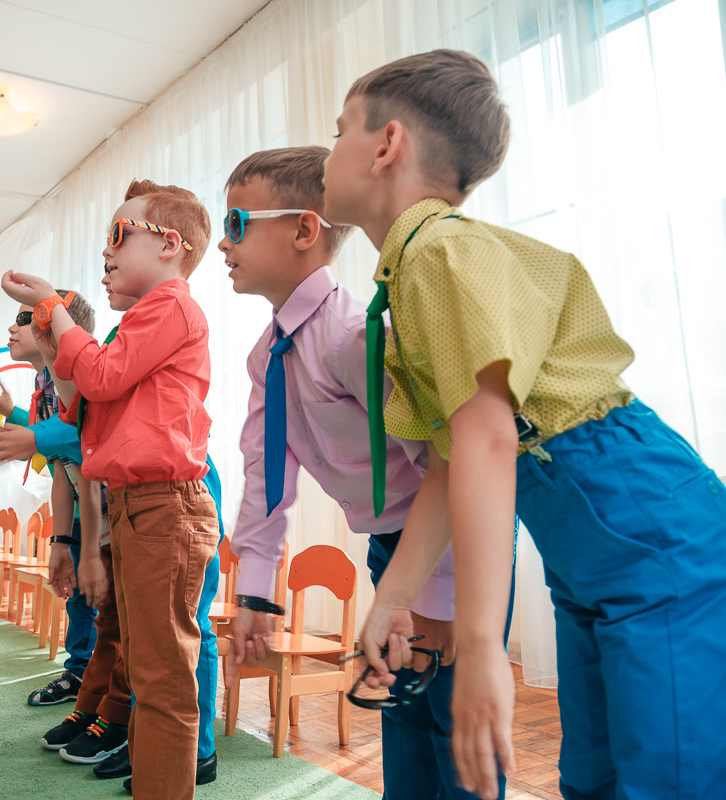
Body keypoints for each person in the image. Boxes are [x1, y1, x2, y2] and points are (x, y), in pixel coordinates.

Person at [323, 49, 726, 800]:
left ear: (386, 144)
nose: (327, 151)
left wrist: (484, 650)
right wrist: (394, 597)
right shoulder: (422, 266)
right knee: (595, 779)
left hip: (654, 538)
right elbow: (456, 457)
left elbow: (490, 440)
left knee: (675, 781)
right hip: (595, 553)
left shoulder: (439, 254)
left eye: (338, 132)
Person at [219, 145, 489, 798]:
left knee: (454, 728)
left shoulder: (354, 338)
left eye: (235, 224)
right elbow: (265, 478)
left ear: (304, 230)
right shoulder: (268, 358)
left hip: (451, 541)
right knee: (401, 713)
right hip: (389, 546)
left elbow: (450, 462)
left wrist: (440, 595)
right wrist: (256, 590)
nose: (224, 245)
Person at [1, 179, 220, 800]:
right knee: (148, 676)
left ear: (170, 245)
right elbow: (87, 414)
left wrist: (50, 304)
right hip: (138, 508)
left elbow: (97, 375)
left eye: (120, 235)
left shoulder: (170, 306)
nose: (107, 250)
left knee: (162, 683)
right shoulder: (141, 320)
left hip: (165, 508)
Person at [0, 292, 101, 707]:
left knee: (102, 604)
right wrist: (61, 540)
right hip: (80, 505)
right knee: (81, 601)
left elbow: (82, 447)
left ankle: (103, 687)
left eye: (26, 318)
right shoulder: (42, 382)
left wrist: (4, 414)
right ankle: (82, 674)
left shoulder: (83, 377)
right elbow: (60, 459)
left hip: (106, 509)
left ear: (55, 326)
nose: (13, 327)